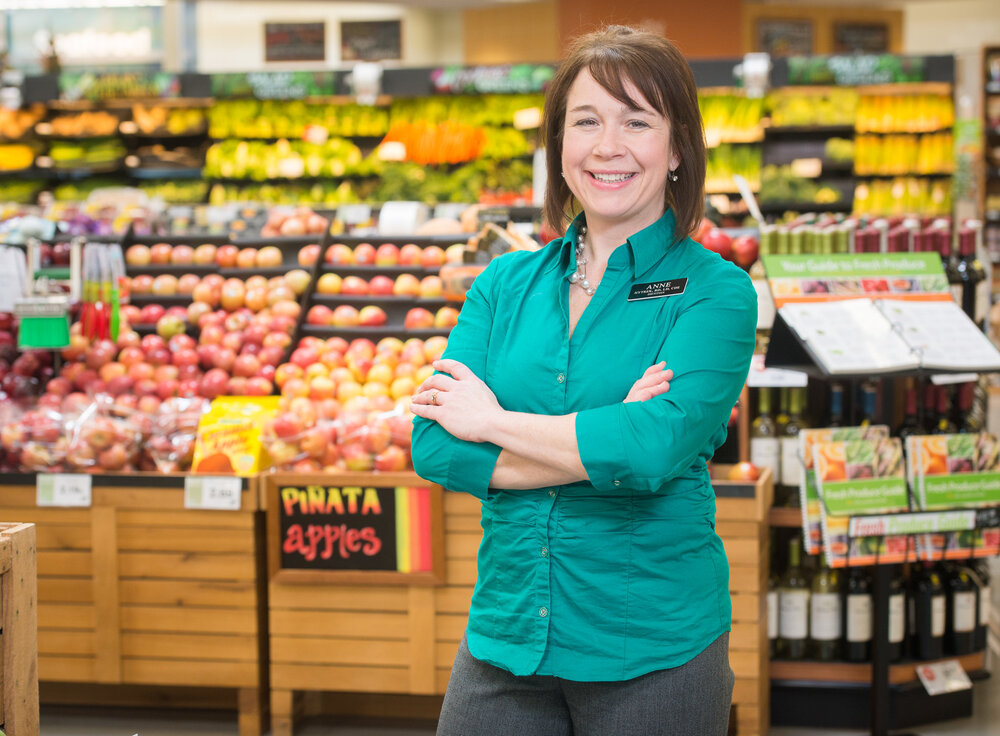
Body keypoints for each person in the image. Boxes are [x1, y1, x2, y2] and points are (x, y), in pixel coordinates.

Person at [409, 25, 756, 736]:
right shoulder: (504, 284)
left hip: (651, 647)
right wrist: (602, 440)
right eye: (587, 121)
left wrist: (490, 422)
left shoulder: (714, 292)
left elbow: (654, 448)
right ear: (558, 146)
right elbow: (436, 448)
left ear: (679, 147)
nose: (608, 146)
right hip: (507, 634)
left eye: (637, 121)